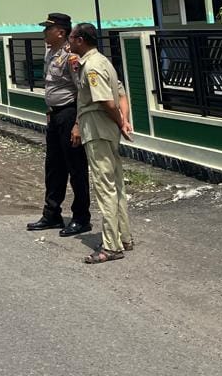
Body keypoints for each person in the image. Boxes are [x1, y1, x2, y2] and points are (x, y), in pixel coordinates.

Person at [69, 22, 134, 264]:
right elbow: (121, 94)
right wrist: (124, 121)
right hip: (107, 130)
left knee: (104, 187)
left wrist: (119, 121)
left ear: (81, 40)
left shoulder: (93, 67)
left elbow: (107, 101)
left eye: (73, 38)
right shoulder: (102, 62)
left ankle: (111, 245)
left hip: (97, 129)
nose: (70, 42)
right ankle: (123, 237)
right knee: (116, 185)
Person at [27, 13, 91, 236]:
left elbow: (81, 91)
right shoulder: (50, 52)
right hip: (55, 116)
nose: (44, 32)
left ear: (60, 32)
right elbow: (51, 85)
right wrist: (49, 111)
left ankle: (82, 217)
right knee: (53, 167)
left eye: (48, 29)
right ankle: (51, 214)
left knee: (76, 168)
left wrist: (77, 124)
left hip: (69, 115)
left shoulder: (70, 56)